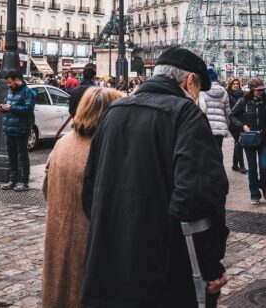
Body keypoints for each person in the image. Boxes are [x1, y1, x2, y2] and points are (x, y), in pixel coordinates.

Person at [82, 47, 229, 306]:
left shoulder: (114, 111)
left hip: (110, 263)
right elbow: (197, 198)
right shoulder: (187, 115)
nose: (197, 97)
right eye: (198, 90)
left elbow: (89, 188)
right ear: (190, 81)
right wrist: (210, 265)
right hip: (164, 270)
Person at [42, 86, 122, 308]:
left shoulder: (63, 143)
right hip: (91, 242)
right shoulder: (106, 150)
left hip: (59, 235)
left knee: (59, 292)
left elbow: (46, 187)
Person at [231, 77, 266, 205]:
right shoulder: (243, 101)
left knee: (264, 166)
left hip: (264, 138)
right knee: (252, 167)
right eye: (258, 90)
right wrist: (242, 126)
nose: (261, 92)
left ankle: (263, 185)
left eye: (262, 90)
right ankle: (254, 194)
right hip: (249, 138)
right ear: (252, 90)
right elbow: (232, 115)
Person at [0, 70, 37, 191]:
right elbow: (7, 104)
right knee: (12, 156)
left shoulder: (28, 92)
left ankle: (24, 181)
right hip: (9, 128)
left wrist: (10, 108)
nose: (8, 85)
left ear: (17, 80)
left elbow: (27, 109)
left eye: (10, 82)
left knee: (22, 156)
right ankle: (13, 180)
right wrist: (3, 108)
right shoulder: (10, 91)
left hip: (22, 128)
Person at [202, 73, 231, 155]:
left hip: (206, 126)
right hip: (220, 126)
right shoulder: (224, 91)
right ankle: (219, 167)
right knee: (218, 151)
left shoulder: (203, 90)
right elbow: (227, 111)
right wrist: (226, 125)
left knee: (207, 151)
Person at [225, 78, 246, 174]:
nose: (236, 85)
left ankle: (234, 164)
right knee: (239, 142)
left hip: (241, 121)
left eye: (237, 83)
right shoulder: (227, 95)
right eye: (234, 84)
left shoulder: (242, 94)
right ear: (230, 85)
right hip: (232, 122)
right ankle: (241, 166)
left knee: (237, 143)